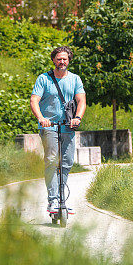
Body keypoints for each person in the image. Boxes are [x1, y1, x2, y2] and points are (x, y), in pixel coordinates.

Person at [30, 46, 86, 214]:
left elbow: (81, 100)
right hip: (49, 126)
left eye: (65, 59)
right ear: (53, 60)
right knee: (52, 160)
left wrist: (78, 118)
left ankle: (62, 200)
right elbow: (34, 101)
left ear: (69, 61)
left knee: (67, 162)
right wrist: (41, 118)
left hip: (68, 126)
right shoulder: (44, 79)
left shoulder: (75, 79)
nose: (62, 62)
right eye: (59, 59)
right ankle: (52, 201)